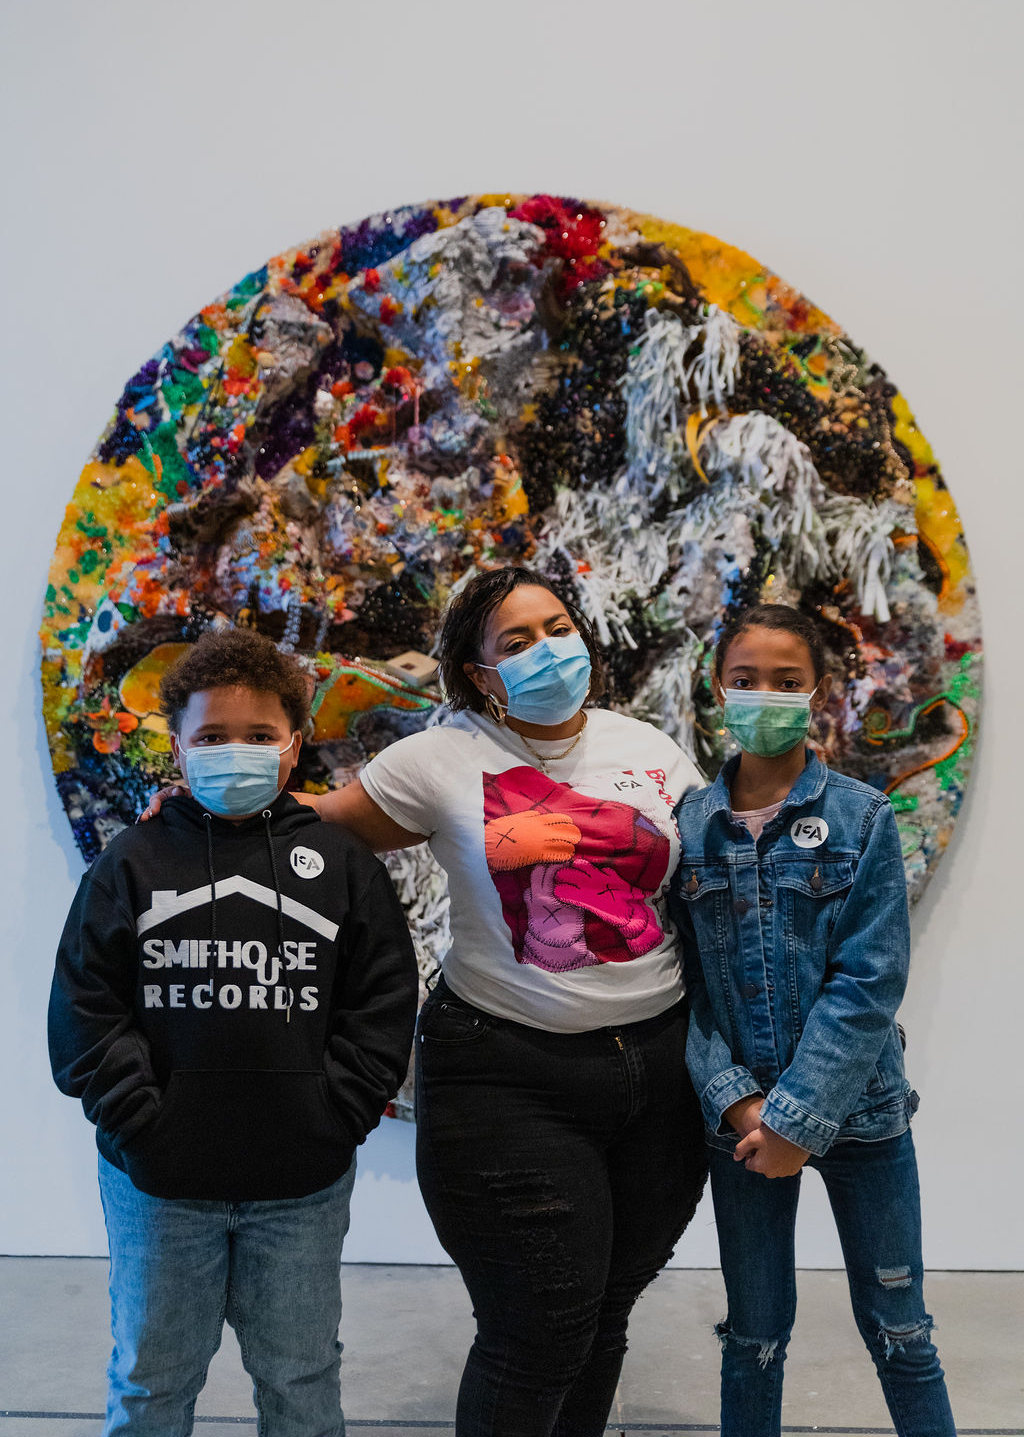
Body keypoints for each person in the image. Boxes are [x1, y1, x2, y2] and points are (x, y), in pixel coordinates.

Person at [286, 566, 708, 1437]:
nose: (549, 650)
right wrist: (207, 805)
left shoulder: (652, 749)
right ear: (479, 673)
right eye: (516, 643)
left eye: (556, 627)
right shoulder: (441, 759)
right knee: (538, 1329)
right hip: (508, 1075)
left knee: (603, 1315)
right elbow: (317, 827)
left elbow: (703, 890)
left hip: (660, 1074)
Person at [49, 628, 419, 1437]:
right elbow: (85, 1010)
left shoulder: (341, 862)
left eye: (258, 736)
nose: (235, 752)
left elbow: (383, 1002)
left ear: (293, 746)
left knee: (301, 1381)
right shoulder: (133, 862)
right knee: (151, 1382)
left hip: (300, 1188)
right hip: (158, 1188)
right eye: (212, 737)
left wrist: (333, 1117)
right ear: (177, 747)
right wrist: (144, 1124)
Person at [671, 603, 956, 1437]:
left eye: (786, 682)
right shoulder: (689, 826)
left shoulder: (863, 818)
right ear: (718, 688)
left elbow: (868, 983)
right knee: (753, 1337)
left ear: (818, 693)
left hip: (863, 1118)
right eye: (746, 680)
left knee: (902, 1331)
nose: (765, 695)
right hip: (742, 1128)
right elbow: (679, 985)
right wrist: (738, 1103)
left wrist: (797, 1115)